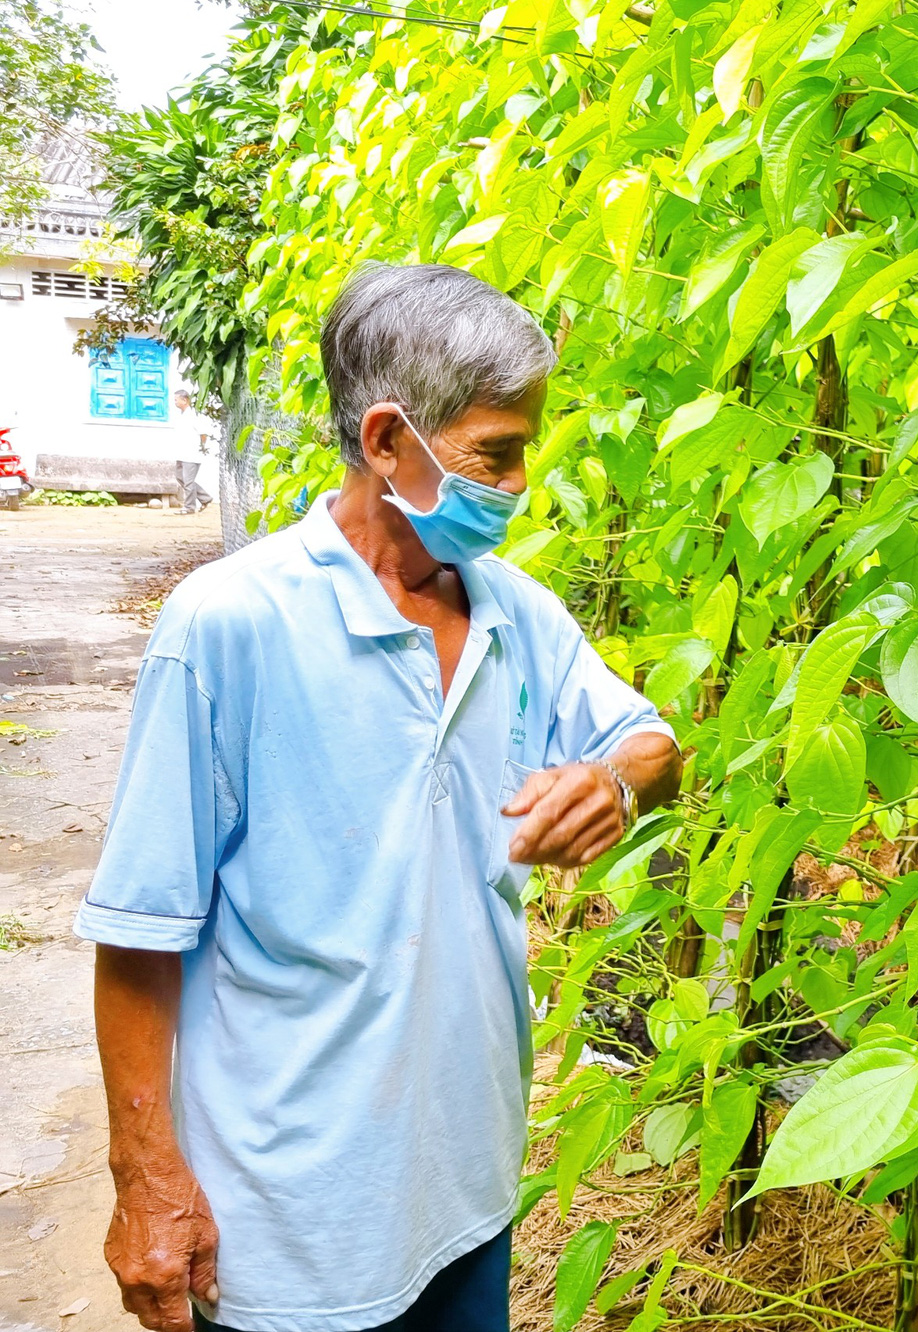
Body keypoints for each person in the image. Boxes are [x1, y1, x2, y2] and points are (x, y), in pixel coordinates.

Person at [76, 264, 684, 1332]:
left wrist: (613, 784)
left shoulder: (516, 613)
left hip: (464, 1184)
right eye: (498, 452)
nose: (522, 483)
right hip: (291, 1221)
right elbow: (139, 931)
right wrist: (146, 1180)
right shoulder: (230, 626)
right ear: (389, 439)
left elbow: (648, 742)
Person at [171, 389, 216, 514]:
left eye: (176, 399)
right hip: (182, 453)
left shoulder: (193, 415)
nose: (175, 402)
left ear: (184, 400)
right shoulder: (182, 415)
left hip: (191, 454)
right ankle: (205, 498)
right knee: (181, 478)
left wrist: (201, 447)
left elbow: (203, 433)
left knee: (188, 481)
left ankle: (189, 507)